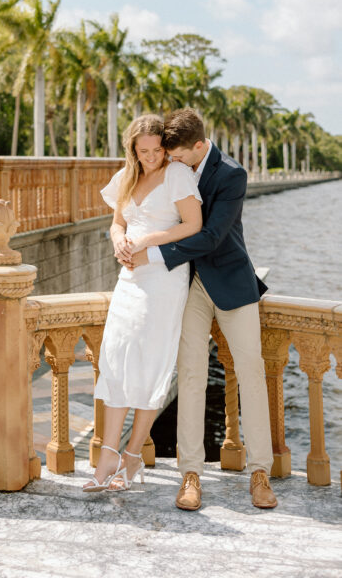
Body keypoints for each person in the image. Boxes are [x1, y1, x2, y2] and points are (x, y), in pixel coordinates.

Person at [116, 108, 277, 510]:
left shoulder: (232, 174)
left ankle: (260, 473)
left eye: (178, 155)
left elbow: (211, 236)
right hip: (187, 287)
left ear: (200, 146)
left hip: (232, 284)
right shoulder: (175, 165)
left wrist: (150, 253)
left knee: (252, 374)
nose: (171, 161)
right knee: (189, 375)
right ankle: (190, 474)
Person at [83, 113, 202, 492]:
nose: (151, 157)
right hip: (129, 278)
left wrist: (147, 240)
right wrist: (117, 239)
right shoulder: (127, 176)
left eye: (156, 150)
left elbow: (192, 225)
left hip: (163, 279)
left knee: (151, 362)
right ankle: (107, 457)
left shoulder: (177, 175)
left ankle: (133, 455)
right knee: (116, 358)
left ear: (164, 148)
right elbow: (118, 222)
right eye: (143, 150)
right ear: (133, 149)